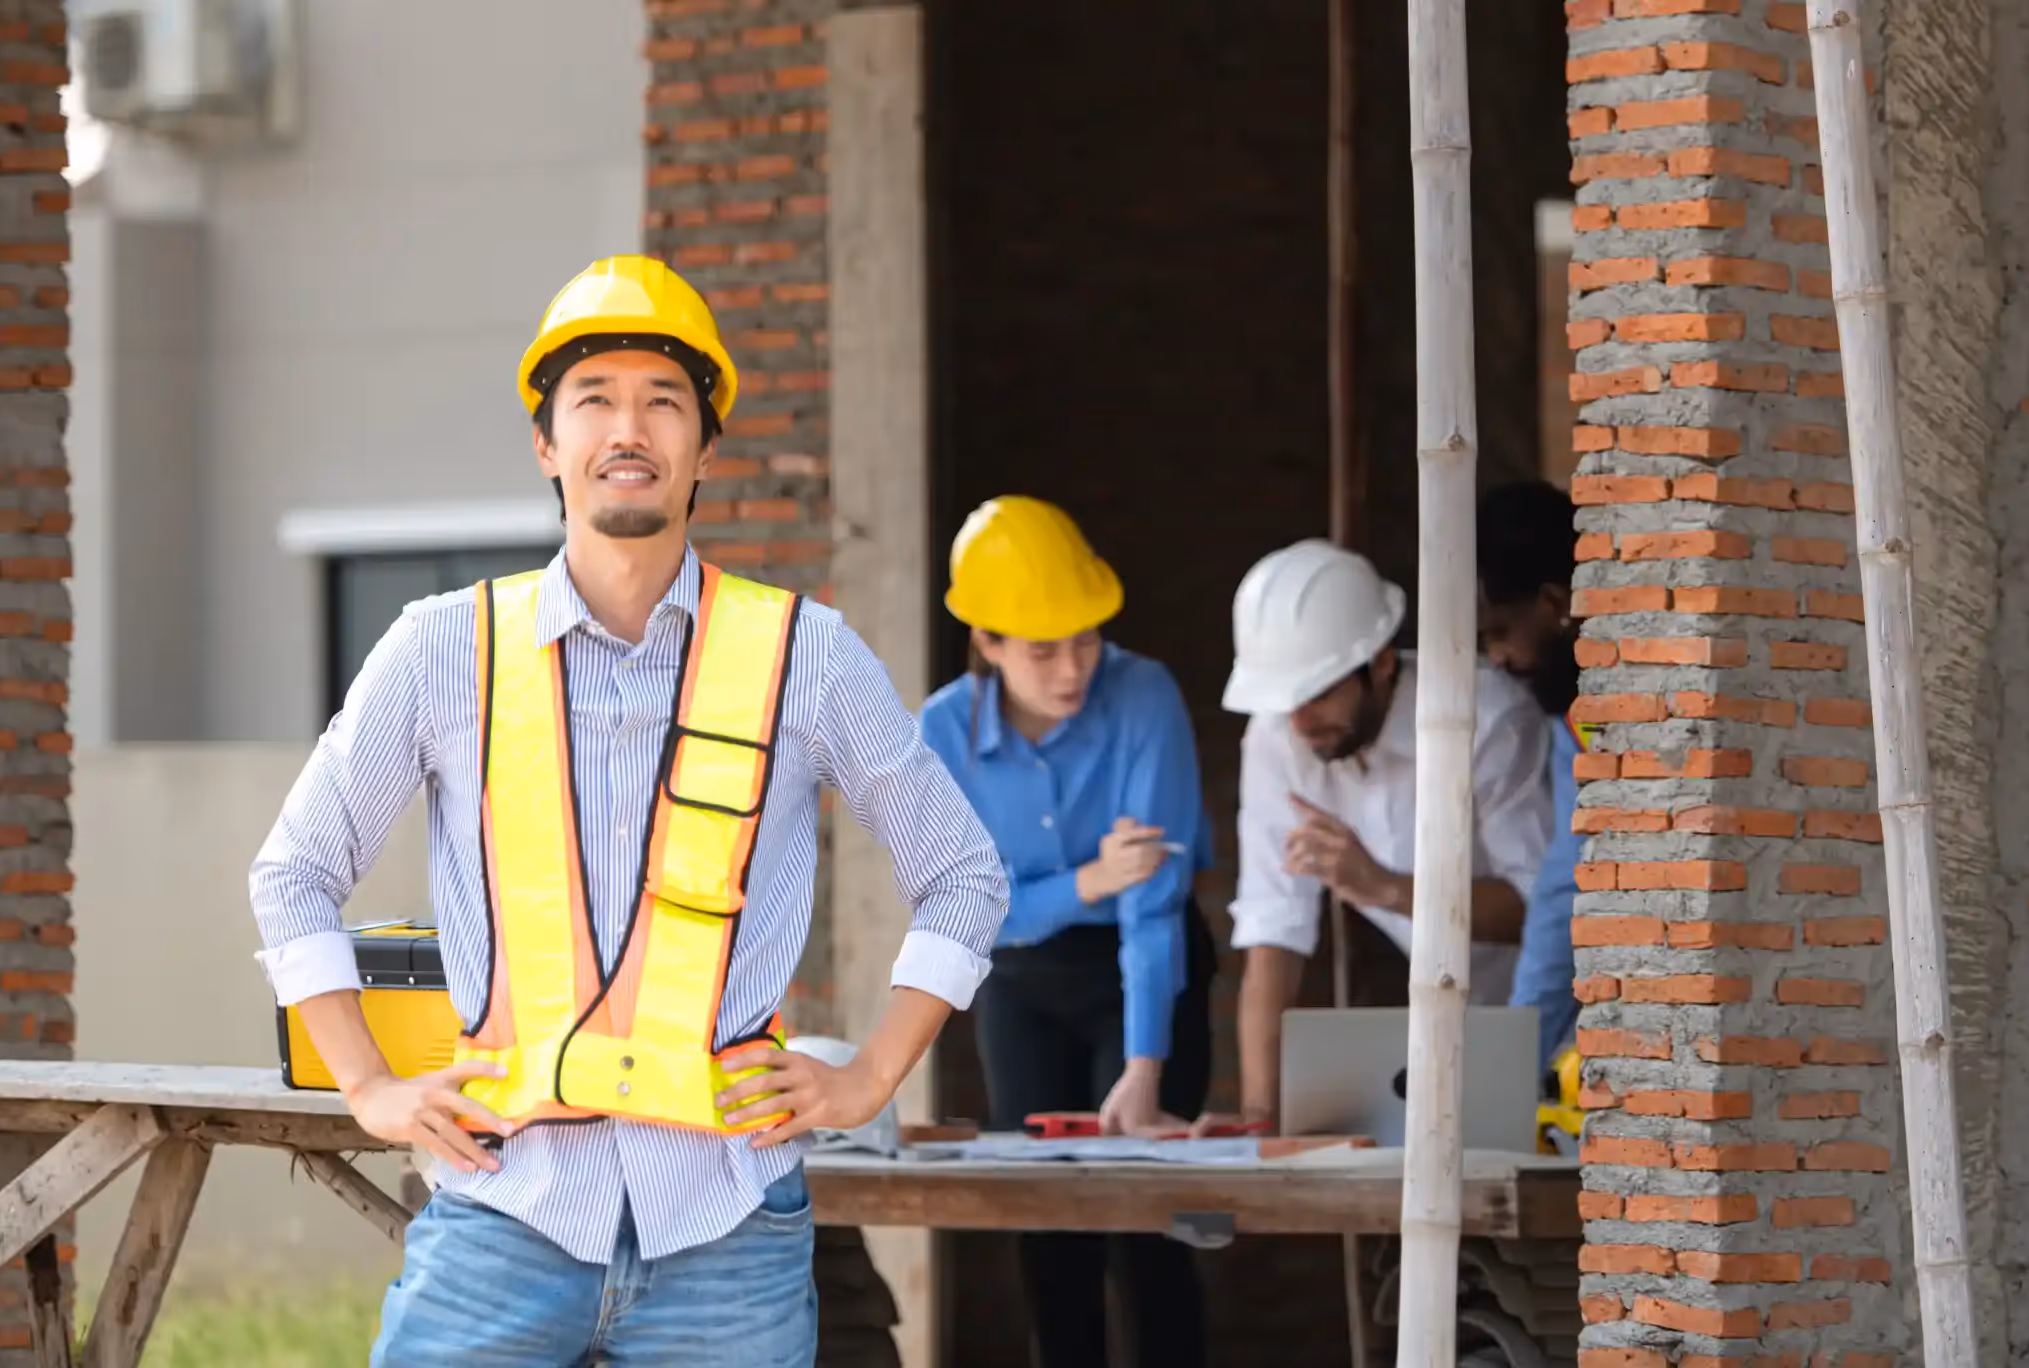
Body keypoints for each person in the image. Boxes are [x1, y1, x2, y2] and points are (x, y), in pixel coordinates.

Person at [248, 254, 1010, 1367]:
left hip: (728, 1231)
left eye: (663, 401)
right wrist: (366, 1086)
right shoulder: (443, 648)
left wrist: (872, 1076)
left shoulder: (806, 655)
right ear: (547, 444)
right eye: (594, 399)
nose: (628, 428)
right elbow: (292, 874)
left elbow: (965, 875)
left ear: (705, 448)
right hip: (503, 1210)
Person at [919, 495, 1215, 1368]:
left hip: (1149, 967)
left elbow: (1152, 901)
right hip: (1021, 984)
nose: (1072, 668)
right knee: (1049, 1232)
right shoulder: (940, 732)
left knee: (1151, 1223)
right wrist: (1087, 879)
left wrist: (1144, 1066)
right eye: (1042, 650)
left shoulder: (1144, 696)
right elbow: (960, 909)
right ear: (988, 642)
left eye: (1085, 640)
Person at [1192, 537, 1555, 1136]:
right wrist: (1259, 1120)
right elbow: (1272, 930)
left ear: (1382, 663)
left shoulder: (1488, 719)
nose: (1299, 720)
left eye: (1317, 693)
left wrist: (1384, 887)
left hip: (1552, 1014)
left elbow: (1543, 910)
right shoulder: (1278, 733)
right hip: (1436, 1027)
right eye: (1283, 701)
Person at [1476, 479, 1586, 1071]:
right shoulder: (1568, 713)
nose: (1496, 661)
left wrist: (1516, 1069)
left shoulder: (1628, 694)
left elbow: (1566, 889)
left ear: (1553, 602)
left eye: (1499, 633)